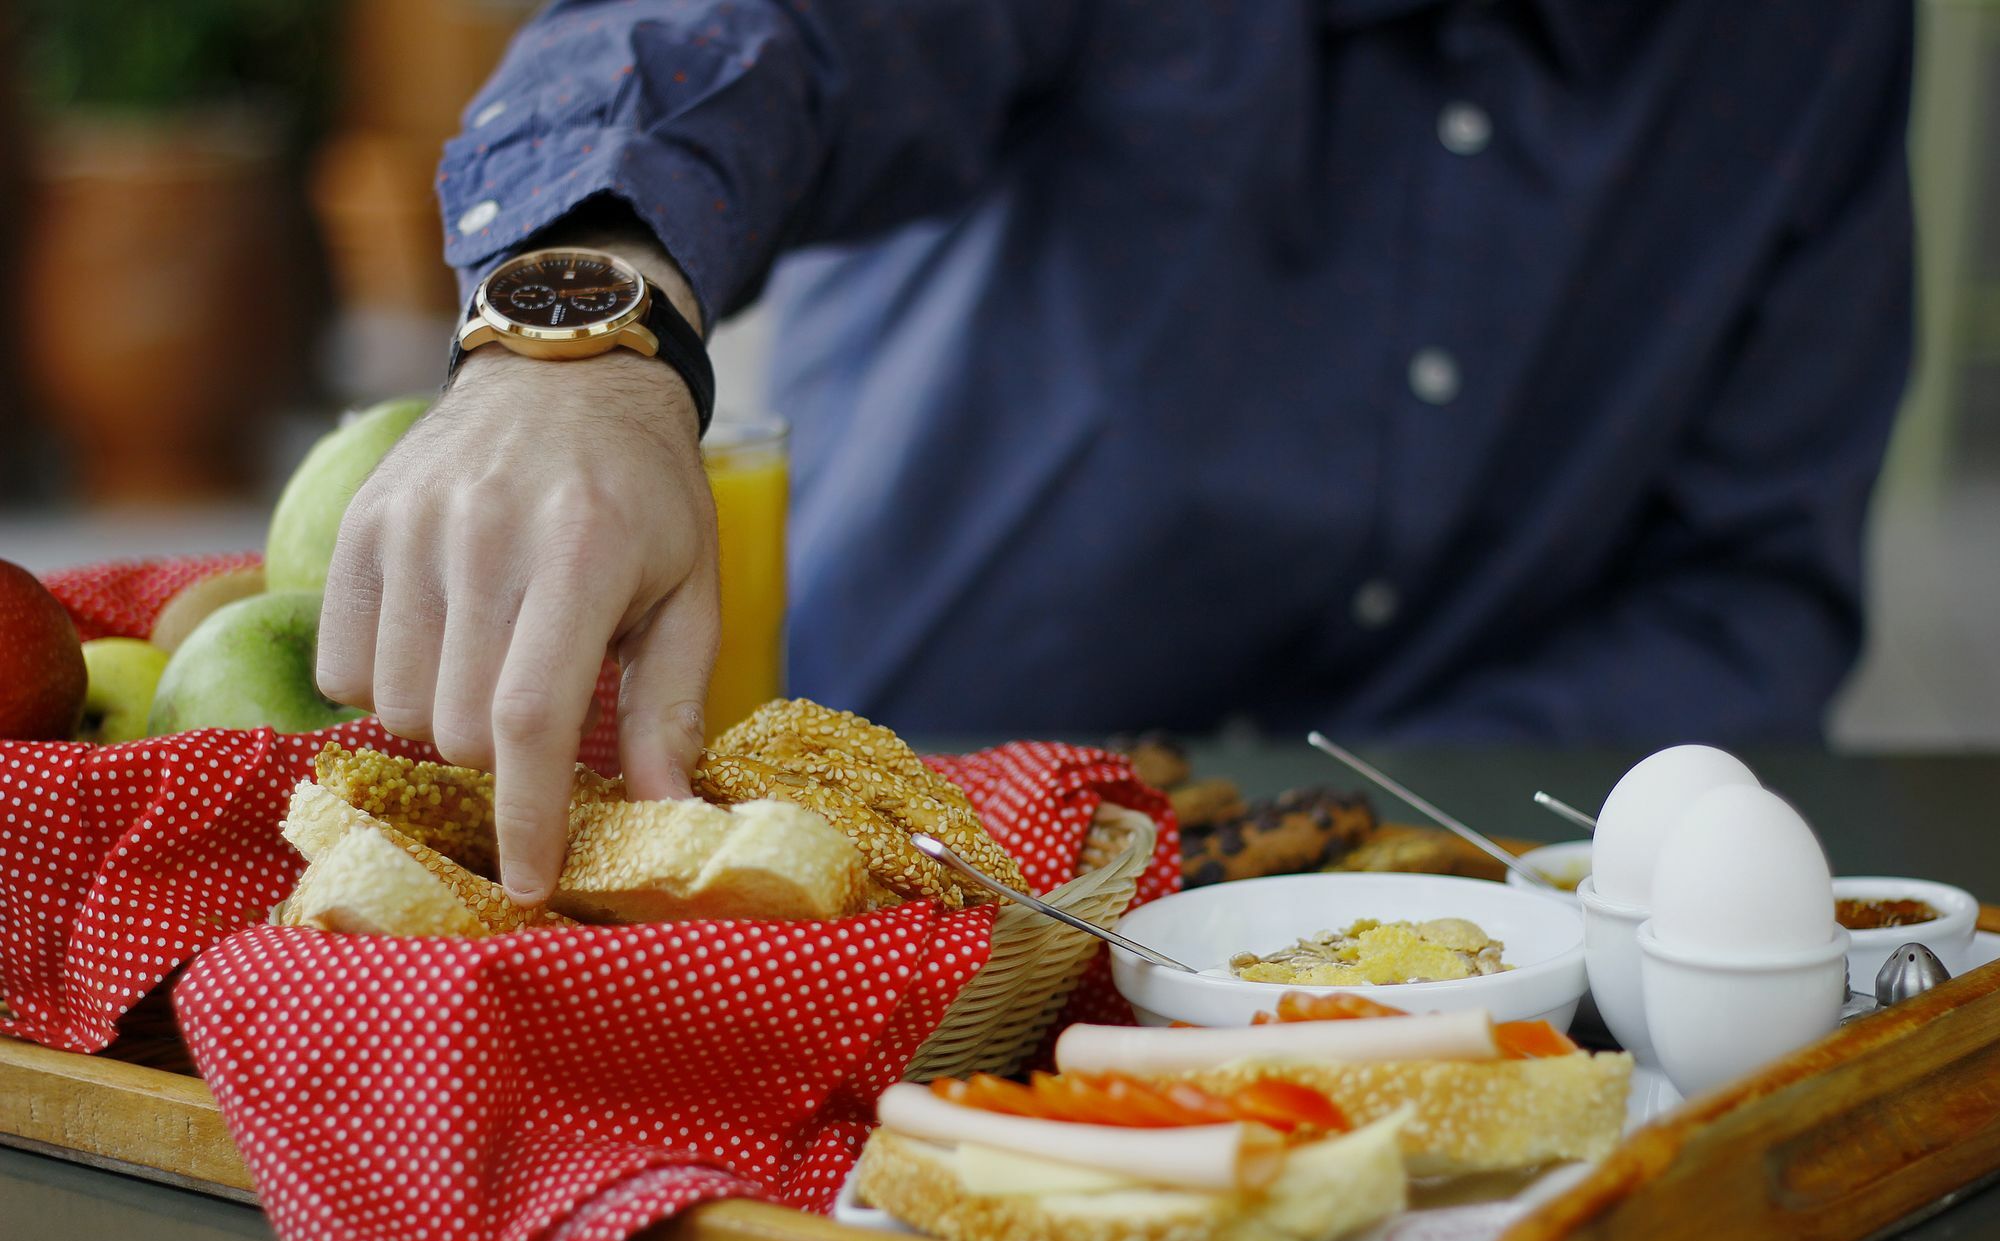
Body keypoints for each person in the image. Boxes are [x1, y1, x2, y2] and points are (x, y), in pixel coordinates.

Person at [315, 0, 1913, 905]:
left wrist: (1342, 870)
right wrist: (583, 337)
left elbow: (1749, 595)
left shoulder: (1810, 45)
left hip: (1457, 913)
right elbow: (743, 28)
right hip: (888, 846)